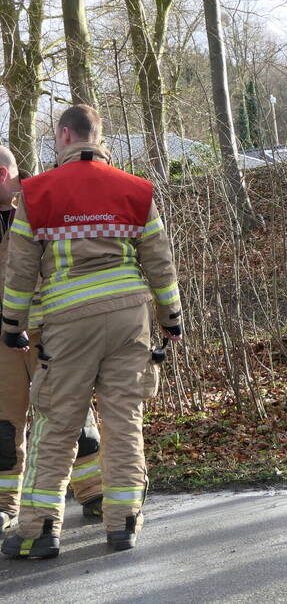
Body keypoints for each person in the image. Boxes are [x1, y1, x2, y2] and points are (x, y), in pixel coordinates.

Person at [0, 105, 182, 558]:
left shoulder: (36, 193)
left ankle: (38, 531)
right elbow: (160, 263)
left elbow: (21, 271)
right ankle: (122, 524)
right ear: (98, 136)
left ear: (64, 135)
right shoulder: (137, 190)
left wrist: (11, 327)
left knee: (56, 422)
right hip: (130, 319)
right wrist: (172, 319)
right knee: (125, 420)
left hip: (68, 323)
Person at [0, 147, 104, 534]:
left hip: (49, 334)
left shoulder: (42, 208)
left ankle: (94, 491)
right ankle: (5, 504)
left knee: (73, 415)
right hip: (3, 343)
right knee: (5, 427)